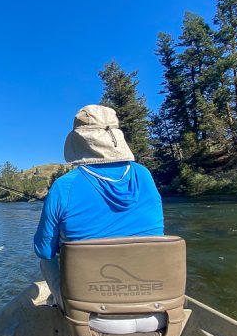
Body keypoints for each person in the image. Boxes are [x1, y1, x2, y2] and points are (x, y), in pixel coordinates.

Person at [33, 104, 164, 308]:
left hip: (89, 316)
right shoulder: (144, 175)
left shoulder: (63, 187)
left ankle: (59, 304)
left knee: (46, 260)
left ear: (79, 141)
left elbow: (43, 250)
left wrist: (62, 241)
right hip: (154, 305)